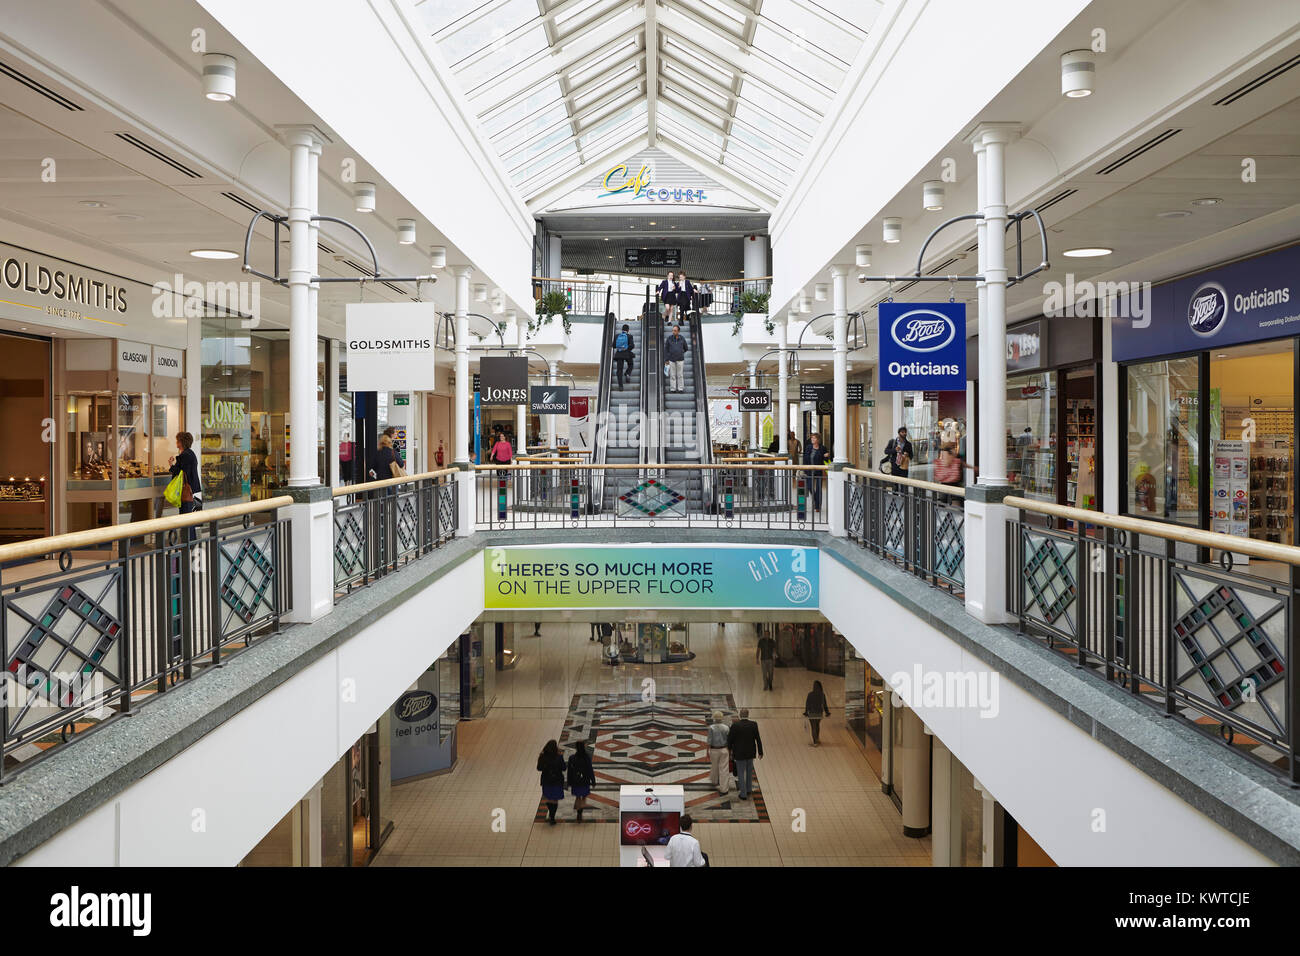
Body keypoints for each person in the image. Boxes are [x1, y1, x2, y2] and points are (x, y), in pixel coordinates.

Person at [727, 708, 763, 801]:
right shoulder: (753, 724)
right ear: (748, 714)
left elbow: (730, 740)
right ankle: (748, 789)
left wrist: (729, 751)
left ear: (739, 714)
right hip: (750, 753)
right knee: (749, 772)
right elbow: (758, 739)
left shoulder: (735, 725)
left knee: (740, 773)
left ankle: (743, 794)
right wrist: (760, 752)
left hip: (739, 754)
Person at [167, 431, 203, 518]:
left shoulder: (185, 455)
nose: (176, 442)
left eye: (177, 440)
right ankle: (190, 532)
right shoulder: (190, 453)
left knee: (185, 517)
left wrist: (171, 465)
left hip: (186, 489)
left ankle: (188, 532)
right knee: (187, 516)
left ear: (181, 442)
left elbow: (181, 473)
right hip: (189, 489)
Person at [537, 739, 566, 825]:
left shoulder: (542, 756)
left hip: (546, 780)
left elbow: (539, 768)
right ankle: (552, 817)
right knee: (555, 799)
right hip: (557, 780)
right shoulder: (559, 757)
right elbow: (564, 768)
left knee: (549, 798)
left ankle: (551, 814)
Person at [567, 741, 595, 821]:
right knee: (584, 796)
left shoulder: (572, 758)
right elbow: (590, 769)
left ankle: (579, 812)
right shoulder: (587, 757)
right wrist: (593, 780)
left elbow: (569, 771)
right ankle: (580, 810)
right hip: (585, 780)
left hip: (575, 781)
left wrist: (569, 781)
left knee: (578, 796)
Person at [706, 710, 732, 794]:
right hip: (724, 749)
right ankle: (724, 788)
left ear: (714, 718)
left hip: (714, 750)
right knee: (724, 769)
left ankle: (714, 780)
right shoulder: (726, 727)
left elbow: (709, 741)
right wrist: (730, 750)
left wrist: (707, 751)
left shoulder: (711, 728)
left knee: (714, 765)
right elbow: (729, 740)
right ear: (722, 718)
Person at [803, 432, 830, 512]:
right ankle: (815, 500)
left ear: (818, 440)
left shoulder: (822, 448)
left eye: (814, 438)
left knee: (819, 489)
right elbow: (805, 458)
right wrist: (804, 468)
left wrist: (826, 456)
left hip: (818, 471)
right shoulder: (808, 447)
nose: (812, 439)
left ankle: (817, 506)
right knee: (810, 487)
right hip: (809, 470)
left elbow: (825, 460)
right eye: (812, 438)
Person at [803, 679, 831, 747]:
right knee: (817, 725)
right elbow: (824, 705)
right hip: (819, 713)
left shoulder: (810, 694)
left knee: (813, 727)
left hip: (812, 713)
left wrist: (806, 712)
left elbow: (807, 704)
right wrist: (827, 712)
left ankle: (815, 742)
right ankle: (817, 739)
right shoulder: (822, 695)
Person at [664, 324, 689, 393]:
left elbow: (686, 348)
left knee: (680, 375)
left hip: (680, 360)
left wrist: (681, 352)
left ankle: (680, 388)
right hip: (671, 360)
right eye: (673, 330)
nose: (673, 332)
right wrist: (666, 359)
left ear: (678, 331)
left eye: (675, 331)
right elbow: (666, 349)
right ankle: (673, 389)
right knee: (672, 375)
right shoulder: (669, 338)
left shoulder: (682, 338)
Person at [612, 323, 634, 391]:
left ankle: (620, 386)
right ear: (628, 330)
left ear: (622, 329)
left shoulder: (616, 336)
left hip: (619, 354)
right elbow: (632, 345)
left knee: (619, 370)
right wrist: (626, 348)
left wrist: (620, 348)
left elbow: (613, 345)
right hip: (627, 354)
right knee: (630, 364)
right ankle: (627, 373)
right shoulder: (629, 336)